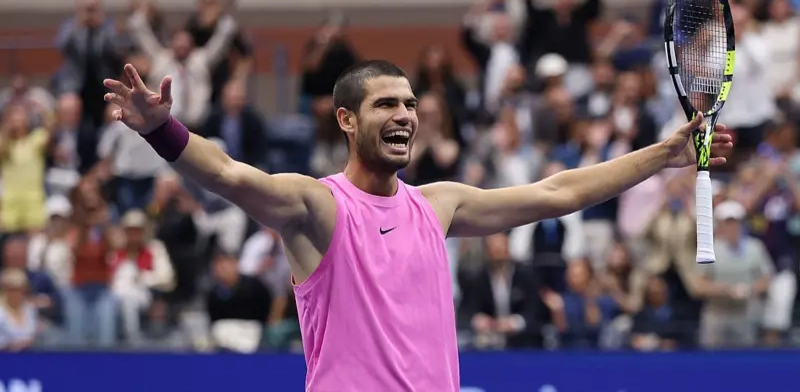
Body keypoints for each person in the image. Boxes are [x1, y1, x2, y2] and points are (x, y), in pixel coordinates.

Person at [103, 61, 731, 391]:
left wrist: (664, 155)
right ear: (347, 120)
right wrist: (162, 129)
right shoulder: (318, 207)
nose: (404, 115)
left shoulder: (440, 204)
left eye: (409, 104)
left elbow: (557, 191)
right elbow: (232, 175)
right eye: (386, 105)